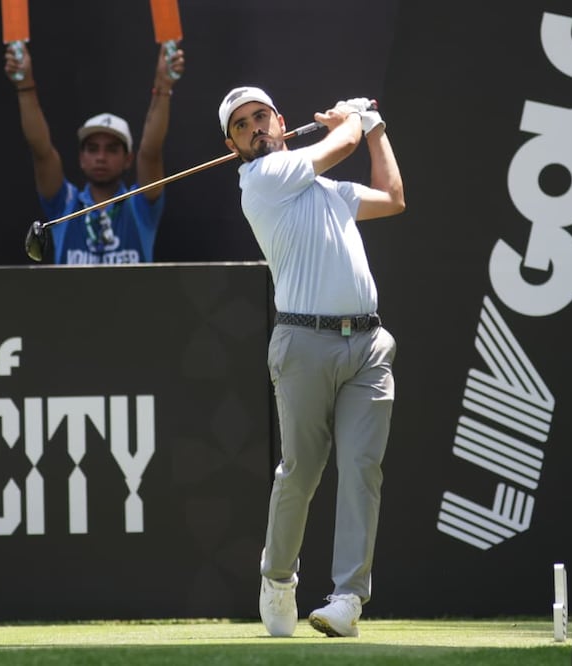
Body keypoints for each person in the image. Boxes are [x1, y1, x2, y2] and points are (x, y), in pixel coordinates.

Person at [217, 86, 405, 638]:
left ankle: (348, 596)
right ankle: (277, 578)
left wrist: (377, 129)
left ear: (280, 121)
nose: (255, 128)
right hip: (303, 343)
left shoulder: (323, 189)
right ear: (232, 146)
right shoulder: (262, 181)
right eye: (241, 126)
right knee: (301, 471)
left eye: (261, 117)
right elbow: (340, 143)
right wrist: (354, 119)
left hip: (369, 347)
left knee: (362, 469)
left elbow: (393, 198)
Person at [4, 41, 184, 264]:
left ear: (128, 159)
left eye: (111, 149)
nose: (101, 157)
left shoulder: (141, 204)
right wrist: (25, 86)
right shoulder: (64, 205)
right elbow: (41, 150)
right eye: (92, 149)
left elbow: (151, 151)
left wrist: (163, 85)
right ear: (81, 158)